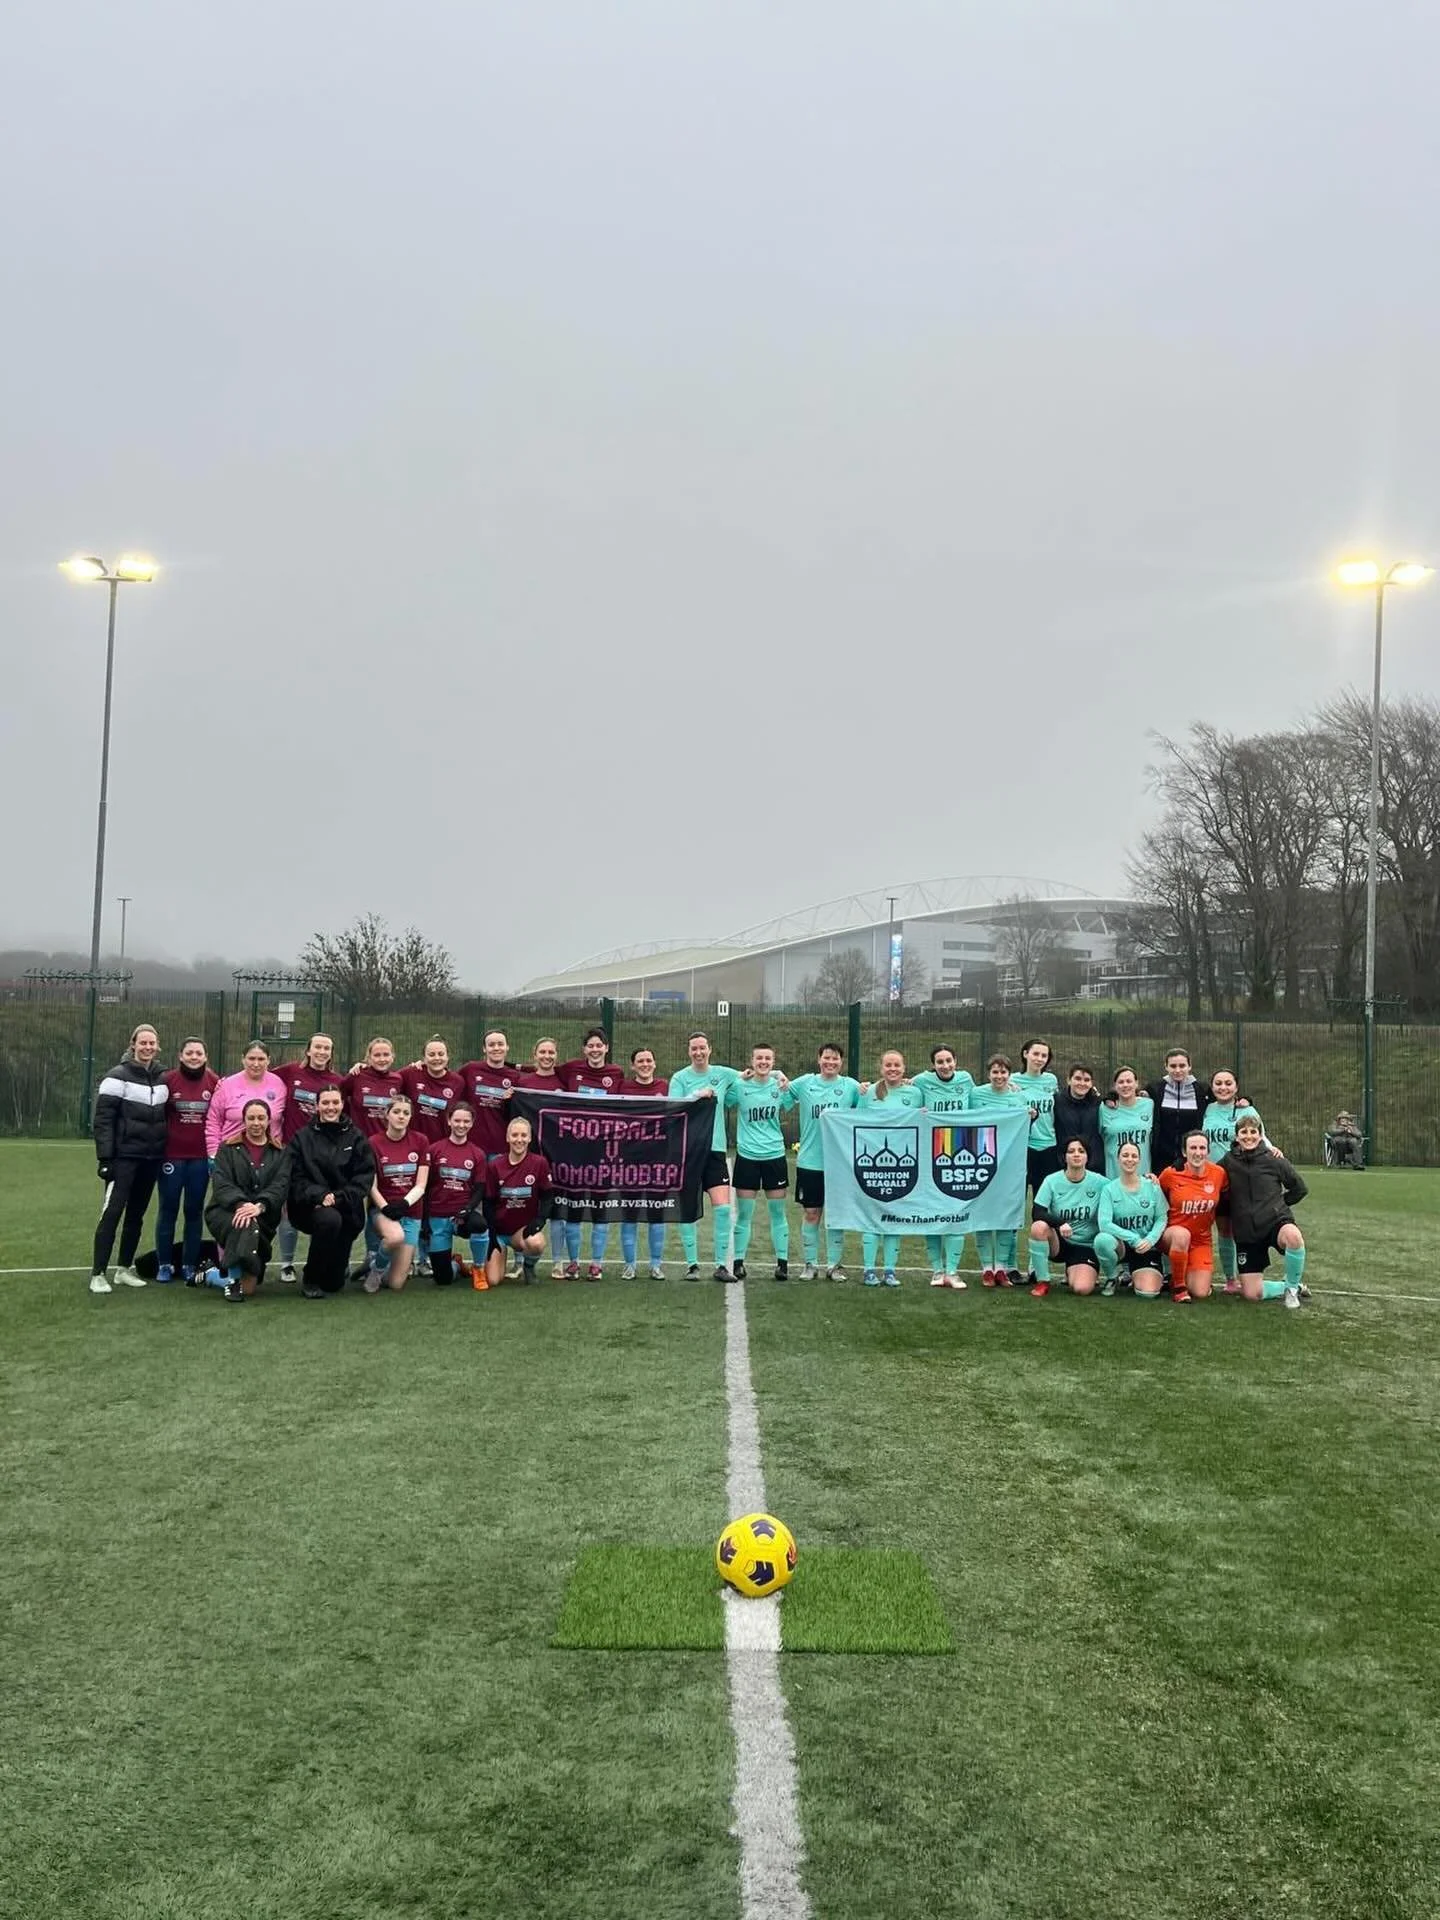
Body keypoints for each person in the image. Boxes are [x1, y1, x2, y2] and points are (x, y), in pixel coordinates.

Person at [90, 1023, 169, 1293]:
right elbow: (103, 1120)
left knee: (136, 1215)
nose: (147, 1047)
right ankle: (98, 1273)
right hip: (123, 1159)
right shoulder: (116, 1076)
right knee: (112, 1213)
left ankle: (123, 1269)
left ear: (157, 1047)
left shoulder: (162, 1077)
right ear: (133, 1044)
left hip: (151, 1159)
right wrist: (105, 1158)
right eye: (143, 1043)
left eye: (152, 1043)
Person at [286, 1086, 376, 1297]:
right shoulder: (302, 1137)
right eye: (325, 1103)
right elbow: (295, 1178)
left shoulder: (356, 1137)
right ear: (317, 1106)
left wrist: (337, 1197)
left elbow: (363, 1177)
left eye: (335, 1102)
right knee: (329, 1220)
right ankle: (310, 1279)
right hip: (310, 1207)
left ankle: (335, 1268)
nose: (330, 1107)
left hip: (346, 1208)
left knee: (334, 1284)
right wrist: (318, 1195)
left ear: (342, 1105)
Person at [780, 1043, 860, 1279]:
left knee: (835, 1216)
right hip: (810, 1162)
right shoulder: (805, 1083)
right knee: (812, 1213)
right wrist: (777, 1076)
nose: (830, 1062)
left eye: (835, 1059)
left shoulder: (851, 1087)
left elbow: (870, 1104)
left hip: (840, 1164)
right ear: (819, 1060)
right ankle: (810, 1264)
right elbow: (783, 1092)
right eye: (827, 1058)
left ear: (841, 1062)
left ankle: (834, 1266)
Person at [667, 1032, 742, 1281]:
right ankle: (692, 1266)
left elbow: (749, 1076)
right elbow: (673, 1107)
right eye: (694, 1049)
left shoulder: (722, 1073)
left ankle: (721, 1265)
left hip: (715, 1151)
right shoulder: (680, 1078)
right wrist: (698, 1094)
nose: (698, 1053)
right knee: (688, 1209)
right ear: (688, 1052)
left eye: (702, 1048)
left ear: (710, 1049)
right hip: (688, 1151)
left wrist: (776, 1075)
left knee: (722, 1209)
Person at [203, 1098, 290, 1302]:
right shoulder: (227, 1148)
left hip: (263, 1215)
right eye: (251, 1118)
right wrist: (242, 1205)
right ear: (244, 1120)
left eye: (261, 1118)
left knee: (249, 1288)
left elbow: (280, 1186)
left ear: (269, 1121)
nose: (256, 1123)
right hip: (226, 1212)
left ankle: (210, 1275)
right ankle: (233, 1280)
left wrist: (259, 1206)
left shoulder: (281, 1152)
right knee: (243, 1221)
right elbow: (222, 1184)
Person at [273, 1035, 344, 1282]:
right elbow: (262, 1076)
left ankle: (320, 1260)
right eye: (318, 1047)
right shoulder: (290, 1071)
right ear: (309, 1050)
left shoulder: (338, 1081)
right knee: (288, 1207)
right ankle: (287, 1263)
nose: (322, 1052)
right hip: (292, 1153)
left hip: (325, 1157)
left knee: (324, 1208)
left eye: (327, 1048)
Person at [1221, 1114, 1309, 1308]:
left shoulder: (1274, 1159)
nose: (1249, 1136)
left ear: (1260, 1136)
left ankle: (1292, 1289)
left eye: (1253, 1132)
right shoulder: (1228, 1161)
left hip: (1274, 1222)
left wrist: (1278, 1204)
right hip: (1246, 1233)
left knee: (1293, 1237)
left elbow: (1299, 1189)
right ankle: (1287, 1286)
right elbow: (1210, 1176)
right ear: (1237, 1137)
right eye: (1244, 1132)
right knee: (1252, 1294)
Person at [909, 1043, 976, 1287]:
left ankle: (953, 1271)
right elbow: (903, 1088)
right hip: (931, 1154)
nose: (945, 1066)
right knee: (932, 1212)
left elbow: (981, 1102)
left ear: (955, 1061)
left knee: (957, 1210)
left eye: (949, 1060)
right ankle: (937, 1270)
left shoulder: (966, 1079)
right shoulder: (922, 1081)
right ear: (933, 1064)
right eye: (940, 1062)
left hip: (961, 1154)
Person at [725, 1044, 793, 1281]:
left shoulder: (780, 1086)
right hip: (747, 1157)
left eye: (767, 1059)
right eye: (759, 1058)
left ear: (773, 1062)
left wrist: (779, 1075)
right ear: (751, 1061)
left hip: (775, 1156)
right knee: (745, 1214)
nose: (763, 1062)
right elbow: (723, 1093)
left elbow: (792, 1095)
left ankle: (782, 1264)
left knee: (778, 1212)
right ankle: (738, 1263)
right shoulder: (740, 1087)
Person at [856, 1049, 923, 1287]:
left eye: (897, 1065)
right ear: (881, 1068)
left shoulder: (915, 1093)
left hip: (902, 1167)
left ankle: (890, 1270)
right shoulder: (869, 1092)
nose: (893, 1069)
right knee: (872, 1217)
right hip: (874, 1166)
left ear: (904, 1068)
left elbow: (925, 1121)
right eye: (888, 1065)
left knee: (894, 1218)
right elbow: (854, 1122)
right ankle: (868, 1270)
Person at [155, 1036, 218, 1284]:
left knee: (193, 1211)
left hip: (201, 1159)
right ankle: (164, 1264)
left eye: (198, 1053)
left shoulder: (214, 1082)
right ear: (180, 1056)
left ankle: (189, 1264)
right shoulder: (167, 1080)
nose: (194, 1057)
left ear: (205, 1057)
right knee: (168, 1209)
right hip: (171, 1157)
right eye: (189, 1053)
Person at [967, 1054, 1031, 1286]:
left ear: (1009, 1074)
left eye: (1003, 1072)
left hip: (1009, 1165)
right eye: (995, 1072)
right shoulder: (976, 1095)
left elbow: (1023, 1126)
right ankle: (986, 1268)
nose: (999, 1076)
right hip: (981, 1162)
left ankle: (1001, 1268)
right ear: (988, 1074)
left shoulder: (1018, 1097)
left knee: (1005, 1215)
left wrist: (1030, 1116)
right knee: (983, 1214)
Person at [474, 1115, 554, 1289]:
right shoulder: (495, 1165)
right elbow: (488, 1202)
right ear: (508, 1137)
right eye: (515, 1135)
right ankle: (483, 1260)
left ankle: (529, 1267)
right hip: (499, 1232)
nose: (519, 1140)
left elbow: (548, 1195)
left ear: (530, 1138)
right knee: (493, 1281)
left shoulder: (539, 1163)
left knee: (536, 1242)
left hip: (521, 1232)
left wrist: (540, 1219)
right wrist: (492, 1234)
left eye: (524, 1136)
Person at [1200, 1068, 1262, 1287]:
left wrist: (1274, 1151)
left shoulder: (1248, 1110)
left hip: (1241, 1178)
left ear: (1236, 1087)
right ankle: (1230, 1279)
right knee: (1224, 1228)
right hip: (1214, 1179)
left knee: (1242, 1229)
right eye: (1218, 1083)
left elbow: (1259, 1138)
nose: (1223, 1087)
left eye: (1228, 1083)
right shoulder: (1207, 1109)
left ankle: (1250, 1274)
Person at [364, 1094, 431, 1293]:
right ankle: (376, 1270)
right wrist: (385, 1207)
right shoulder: (374, 1142)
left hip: (410, 1211)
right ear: (387, 1114)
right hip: (383, 1210)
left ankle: (376, 1262)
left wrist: (404, 1204)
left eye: (406, 1113)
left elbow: (421, 1184)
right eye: (396, 1112)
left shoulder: (420, 1141)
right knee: (394, 1237)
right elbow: (372, 1186)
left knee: (395, 1284)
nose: (401, 1116)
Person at [1027, 1137, 1108, 1298]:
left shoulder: (1100, 1182)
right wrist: (1060, 1222)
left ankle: (1076, 1270)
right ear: (1064, 1157)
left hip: (1086, 1246)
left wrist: (1148, 1180)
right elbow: (1037, 1212)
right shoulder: (1052, 1181)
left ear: (1087, 1156)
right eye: (1071, 1151)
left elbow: (1123, 1188)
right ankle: (1042, 1281)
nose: (1076, 1155)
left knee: (1081, 1289)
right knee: (1038, 1227)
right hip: (1060, 1243)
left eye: (1081, 1151)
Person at [1156, 1130, 1230, 1303]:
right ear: (1184, 1152)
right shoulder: (1170, 1174)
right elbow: (1155, 1195)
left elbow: (1227, 1199)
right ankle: (1179, 1289)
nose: (1198, 1152)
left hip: (1201, 1240)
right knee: (1182, 1235)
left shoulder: (1219, 1174)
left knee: (1200, 1291)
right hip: (1172, 1235)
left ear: (1208, 1151)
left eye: (1202, 1148)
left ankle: (1179, 1275)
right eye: (1193, 1148)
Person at [516, 1038, 568, 1276]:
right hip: (529, 1153)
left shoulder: (563, 1081)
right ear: (534, 1055)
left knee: (557, 1207)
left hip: (558, 1153)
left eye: (551, 1052)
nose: (547, 1056)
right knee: (522, 1203)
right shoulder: (523, 1083)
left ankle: (558, 1262)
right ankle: (519, 1261)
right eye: (542, 1052)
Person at [618, 1047, 669, 1278]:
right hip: (629, 1161)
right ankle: (630, 1264)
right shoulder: (623, 1087)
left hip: (659, 1161)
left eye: (649, 1060)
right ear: (633, 1065)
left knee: (656, 1213)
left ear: (655, 1064)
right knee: (630, 1213)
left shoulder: (666, 1087)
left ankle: (655, 1265)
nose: (645, 1064)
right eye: (640, 1061)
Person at [1094, 1140, 1168, 1298]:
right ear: (1118, 1159)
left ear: (1139, 1160)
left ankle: (1136, 1273)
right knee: (1102, 1240)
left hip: (1146, 1247)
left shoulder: (1152, 1186)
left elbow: (1162, 1217)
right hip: (1122, 1246)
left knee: (1147, 1293)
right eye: (1125, 1155)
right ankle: (1112, 1277)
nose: (1130, 1159)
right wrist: (1133, 1238)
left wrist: (1150, 1239)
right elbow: (1104, 1223)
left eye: (1134, 1156)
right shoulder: (1109, 1189)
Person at [424, 1100, 484, 1287]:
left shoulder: (477, 1154)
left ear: (472, 1124)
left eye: (466, 1122)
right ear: (449, 1121)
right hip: (438, 1217)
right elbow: (425, 1186)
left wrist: (467, 1209)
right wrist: (425, 1219)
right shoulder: (434, 1150)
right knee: (443, 1280)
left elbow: (480, 1188)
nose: (461, 1125)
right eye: (457, 1120)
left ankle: (479, 1268)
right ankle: (456, 1265)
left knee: (481, 1225)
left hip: (461, 1217)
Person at [206, 1042, 287, 1159]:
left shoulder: (279, 1084)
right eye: (251, 1058)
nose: (256, 1064)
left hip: (270, 1156)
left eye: (261, 1059)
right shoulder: (227, 1085)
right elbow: (214, 1121)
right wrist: (214, 1153)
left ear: (268, 1060)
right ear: (243, 1059)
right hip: (232, 1155)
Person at [1147, 1049, 1214, 1172]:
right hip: (1161, 1158)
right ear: (1166, 1066)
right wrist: (1112, 1096)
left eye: (1182, 1066)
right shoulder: (1154, 1089)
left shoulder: (1202, 1090)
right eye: (1173, 1066)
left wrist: (1245, 1100)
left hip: (1192, 1157)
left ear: (1190, 1066)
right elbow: (1130, 1094)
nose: (1177, 1070)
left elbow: (1224, 1098)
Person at [1012, 1038, 1060, 1198]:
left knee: (1044, 1199)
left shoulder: (1051, 1080)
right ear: (1025, 1054)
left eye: (1044, 1056)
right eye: (1036, 1054)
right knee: (1019, 1197)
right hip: (1024, 1146)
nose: (1039, 1059)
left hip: (1049, 1145)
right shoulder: (1012, 1081)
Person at [400, 1036, 465, 1141]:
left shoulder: (458, 1081)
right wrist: (365, 1068)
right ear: (424, 1058)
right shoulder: (411, 1073)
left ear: (448, 1057)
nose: (437, 1058)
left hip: (442, 1144)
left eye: (441, 1054)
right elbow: (387, 1079)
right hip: (412, 1142)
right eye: (431, 1055)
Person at [1099, 1065, 1155, 1178]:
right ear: (1115, 1086)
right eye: (1121, 1082)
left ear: (1136, 1083)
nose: (1125, 1085)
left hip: (1143, 1177)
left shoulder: (1149, 1105)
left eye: (1129, 1081)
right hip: (1114, 1178)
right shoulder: (1104, 1108)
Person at [343, 1036, 406, 1135]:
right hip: (359, 1141)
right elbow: (338, 1098)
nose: (382, 1059)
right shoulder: (357, 1075)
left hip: (385, 1143)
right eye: (377, 1055)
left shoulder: (398, 1080)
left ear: (392, 1057)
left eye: (386, 1054)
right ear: (369, 1058)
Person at [1052, 1061, 1105, 1173]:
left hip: (1094, 1166)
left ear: (1091, 1083)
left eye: (1086, 1080)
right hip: (1064, 1166)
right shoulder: (1056, 1101)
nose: (1082, 1083)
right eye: (1078, 1078)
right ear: (1069, 1080)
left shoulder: (1099, 1104)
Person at [558, 1028, 627, 1096]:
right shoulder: (572, 1067)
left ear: (606, 1048)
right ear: (584, 1049)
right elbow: (551, 1076)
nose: (595, 1050)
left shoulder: (616, 1072)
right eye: (590, 1046)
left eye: (599, 1046)